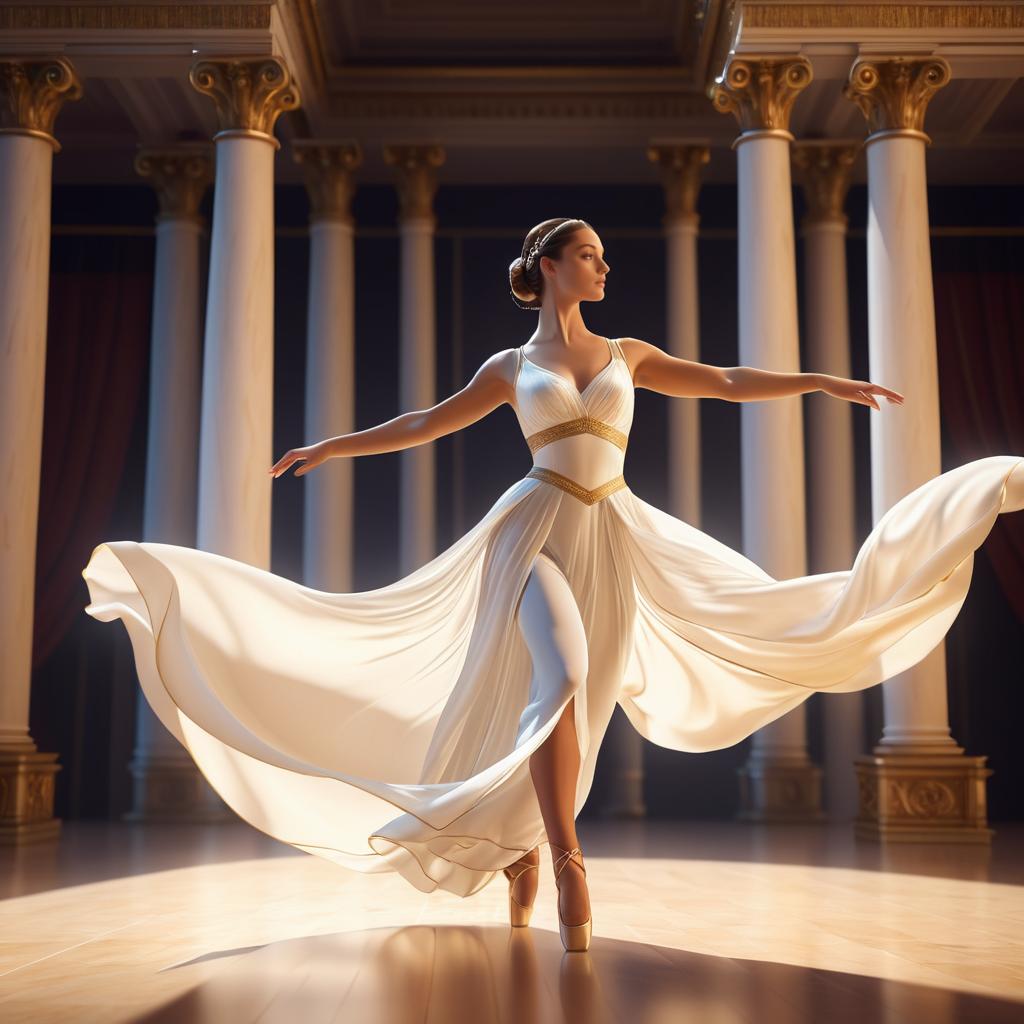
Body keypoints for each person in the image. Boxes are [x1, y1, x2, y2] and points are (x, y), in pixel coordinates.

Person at [84, 216, 1023, 954]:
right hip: (529, 531)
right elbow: (424, 421)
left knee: (600, 692)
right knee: (561, 677)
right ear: (548, 268)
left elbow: (727, 379)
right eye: (588, 256)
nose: (604, 269)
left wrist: (820, 381)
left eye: (605, 257)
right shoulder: (513, 365)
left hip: (610, 536)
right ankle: (568, 859)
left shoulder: (631, 355)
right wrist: (336, 444)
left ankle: (523, 846)